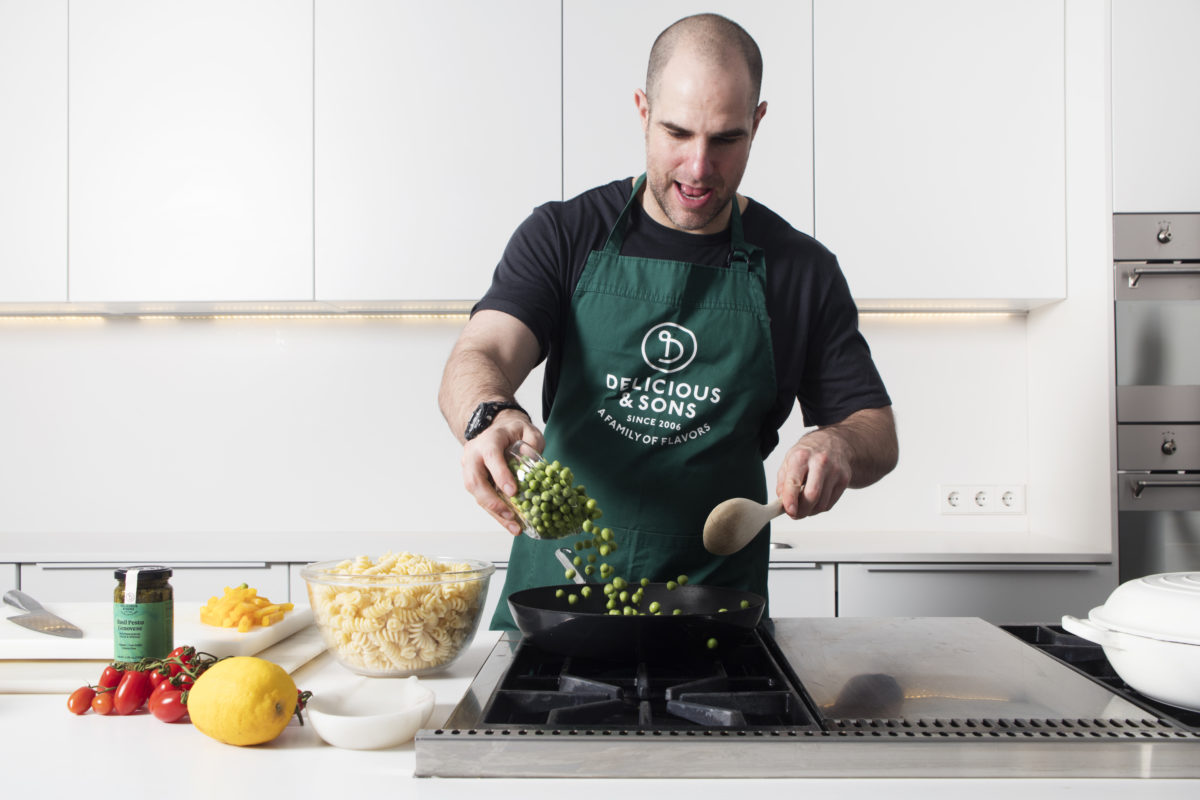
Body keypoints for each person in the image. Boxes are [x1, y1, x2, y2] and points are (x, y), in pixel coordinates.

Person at [439, 13, 898, 631]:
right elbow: (482, 353)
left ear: (758, 122)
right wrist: (488, 416)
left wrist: (835, 442)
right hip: (557, 598)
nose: (699, 167)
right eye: (677, 132)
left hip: (714, 608)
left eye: (727, 139)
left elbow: (876, 431)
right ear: (642, 110)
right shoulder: (563, 234)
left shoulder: (800, 270)